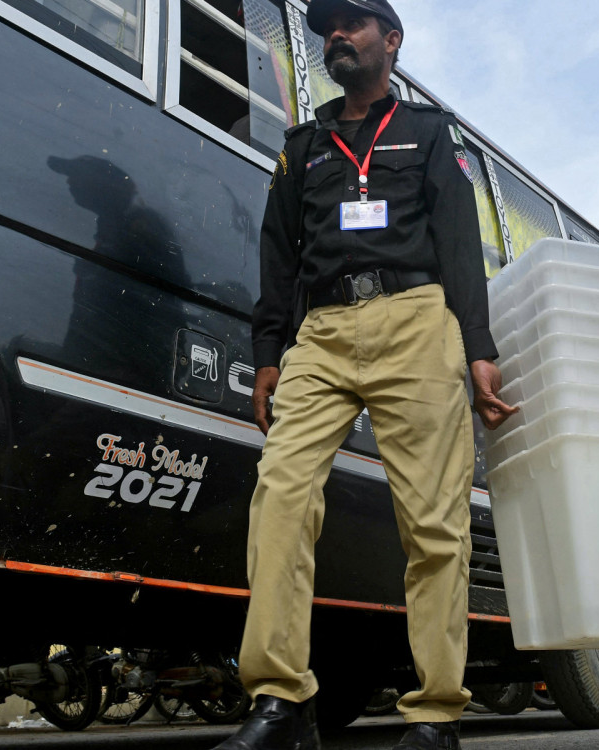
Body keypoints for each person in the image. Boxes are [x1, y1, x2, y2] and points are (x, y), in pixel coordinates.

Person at [214, 1, 516, 749]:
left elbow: (458, 242)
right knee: (281, 495)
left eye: (352, 24)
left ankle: (436, 710)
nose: (336, 36)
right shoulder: (303, 147)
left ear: (392, 41)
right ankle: (283, 700)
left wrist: (477, 346)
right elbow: (277, 254)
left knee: (434, 524)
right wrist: (268, 353)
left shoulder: (428, 134)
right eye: (327, 29)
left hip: (417, 320)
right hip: (321, 331)